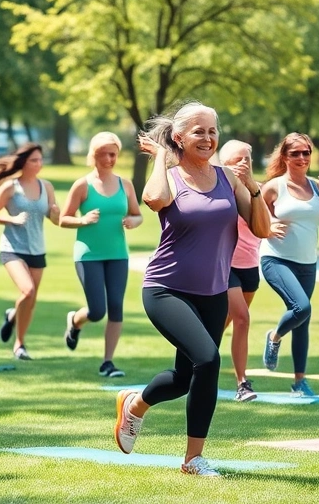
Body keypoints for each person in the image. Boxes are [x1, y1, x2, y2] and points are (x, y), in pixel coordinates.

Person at [114, 102, 269, 477]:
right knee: (209, 360)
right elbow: (154, 199)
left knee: (186, 378)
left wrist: (253, 187)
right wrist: (161, 160)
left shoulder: (228, 178)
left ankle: (134, 405)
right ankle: (193, 460)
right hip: (166, 289)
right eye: (199, 131)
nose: (208, 138)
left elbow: (262, 229)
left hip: (213, 293)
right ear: (180, 138)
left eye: (213, 130)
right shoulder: (171, 177)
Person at [259, 133, 319, 396]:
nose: (302, 158)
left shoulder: (318, 188)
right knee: (302, 308)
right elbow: (253, 217)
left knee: (302, 320)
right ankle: (274, 337)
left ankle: (299, 381)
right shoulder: (274, 187)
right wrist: (269, 225)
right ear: (284, 156)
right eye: (295, 153)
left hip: (308, 262)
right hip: (276, 259)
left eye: (306, 153)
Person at [59, 132, 143, 377]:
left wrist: (133, 221)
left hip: (118, 254)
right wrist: (82, 220)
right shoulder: (82, 185)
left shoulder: (124, 184)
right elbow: (64, 219)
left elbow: (138, 214)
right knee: (97, 311)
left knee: (116, 307)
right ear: (93, 155)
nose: (109, 158)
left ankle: (108, 362)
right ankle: (75, 321)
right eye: (104, 154)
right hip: (88, 255)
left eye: (113, 154)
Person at [0, 143, 61, 360]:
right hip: (13, 248)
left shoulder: (46, 187)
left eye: (40, 160)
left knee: (31, 299)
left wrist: (56, 212)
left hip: (37, 248)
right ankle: (15, 328)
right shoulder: (11, 187)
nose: (39, 164)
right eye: (34, 160)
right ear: (23, 163)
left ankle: (18, 340)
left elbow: (54, 218)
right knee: (27, 291)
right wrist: (11, 219)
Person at [218, 139, 262, 402]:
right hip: (225, 265)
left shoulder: (259, 189)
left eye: (248, 158)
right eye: (238, 160)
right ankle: (242, 383)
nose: (244, 163)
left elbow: (267, 219)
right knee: (243, 319)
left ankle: (195, 359)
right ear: (225, 166)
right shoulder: (220, 190)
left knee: (224, 323)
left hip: (250, 266)